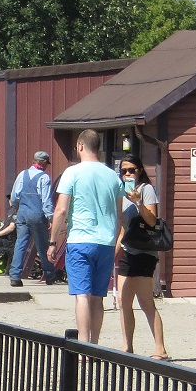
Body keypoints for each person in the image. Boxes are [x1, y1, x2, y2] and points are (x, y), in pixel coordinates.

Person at [48, 129, 124, 345]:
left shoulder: (72, 173)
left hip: (80, 240)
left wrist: (53, 241)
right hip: (106, 242)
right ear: (98, 147)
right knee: (98, 296)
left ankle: (82, 344)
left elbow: (61, 210)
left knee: (82, 294)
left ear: (80, 146)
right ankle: (95, 344)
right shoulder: (113, 176)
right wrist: (115, 238)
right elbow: (118, 215)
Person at [115, 155, 169, 359]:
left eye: (131, 170)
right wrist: (114, 253)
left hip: (145, 251)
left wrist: (138, 202)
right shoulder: (123, 193)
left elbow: (152, 220)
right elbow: (122, 229)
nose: (127, 174)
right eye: (123, 171)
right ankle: (127, 346)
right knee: (123, 300)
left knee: (145, 301)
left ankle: (160, 348)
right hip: (129, 250)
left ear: (140, 171)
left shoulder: (146, 190)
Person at [8, 151, 56, 287]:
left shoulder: (22, 175)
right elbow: (46, 201)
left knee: (20, 243)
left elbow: (14, 197)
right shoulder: (44, 178)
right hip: (37, 214)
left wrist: (19, 208)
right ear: (44, 163)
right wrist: (51, 218)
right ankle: (49, 274)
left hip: (23, 213)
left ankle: (15, 276)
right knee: (42, 246)